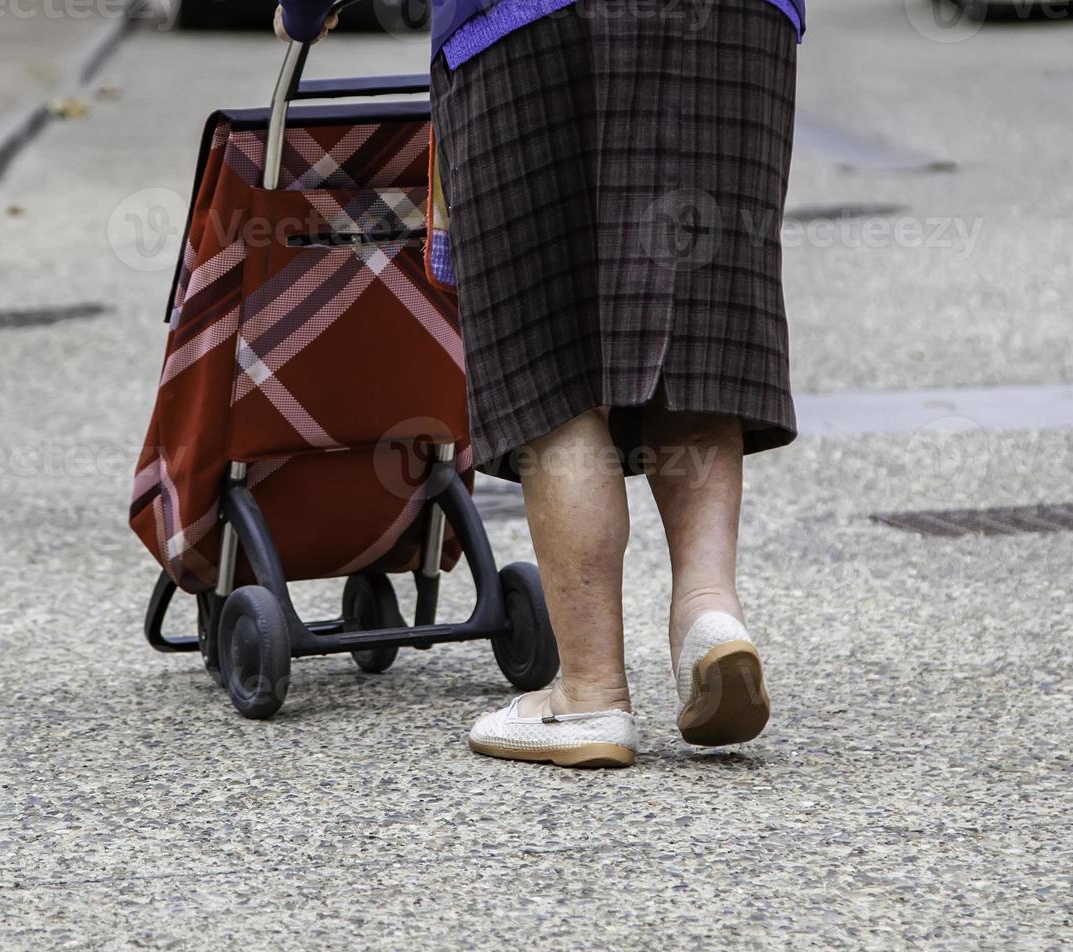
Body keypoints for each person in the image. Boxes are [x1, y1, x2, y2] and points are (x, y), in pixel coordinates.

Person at [275, 0, 806, 768]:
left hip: (535, 22)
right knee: (697, 327)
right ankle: (709, 615)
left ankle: (590, 693)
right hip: (740, 25)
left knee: (550, 358)